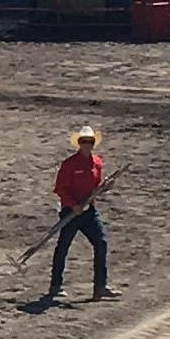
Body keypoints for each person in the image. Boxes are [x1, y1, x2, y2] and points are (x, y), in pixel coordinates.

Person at [45, 127, 111, 303]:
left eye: (90, 142)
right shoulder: (69, 164)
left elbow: (96, 187)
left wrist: (103, 189)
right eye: (84, 141)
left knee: (101, 243)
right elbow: (60, 188)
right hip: (71, 212)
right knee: (63, 247)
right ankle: (55, 285)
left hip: (89, 211)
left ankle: (100, 287)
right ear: (79, 143)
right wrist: (73, 206)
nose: (87, 145)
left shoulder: (97, 162)